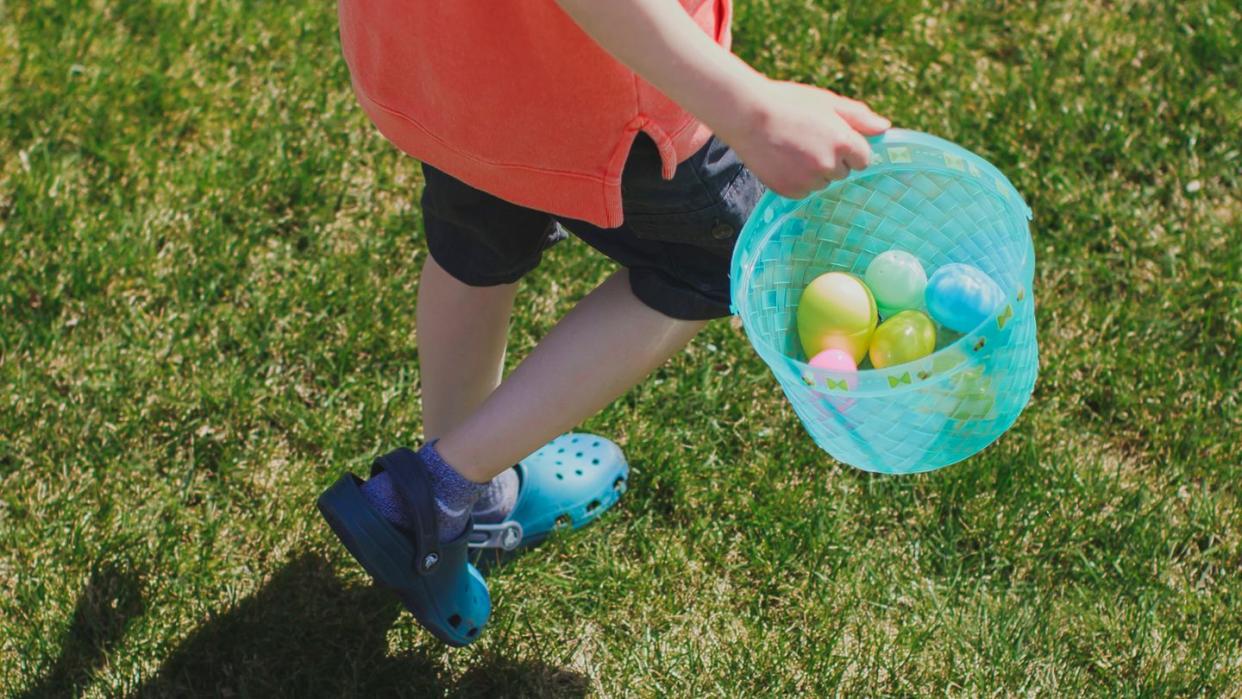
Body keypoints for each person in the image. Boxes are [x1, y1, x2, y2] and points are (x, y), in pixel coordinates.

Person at [318, 0, 890, 646]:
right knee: (715, 259)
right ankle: (433, 493)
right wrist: (749, 110)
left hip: (445, 57)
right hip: (592, 78)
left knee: (475, 235)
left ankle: (466, 510)